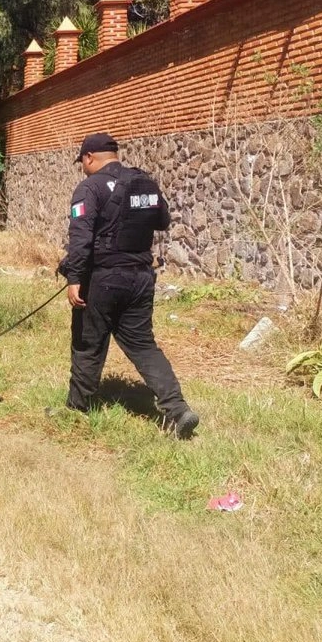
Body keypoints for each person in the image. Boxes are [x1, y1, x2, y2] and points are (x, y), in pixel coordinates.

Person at [56, 132, 199, 438]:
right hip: (140, 278)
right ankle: (177, 409)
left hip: (103, 279)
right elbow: (163, 221)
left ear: (89, 157)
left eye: (82, 161)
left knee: (87, 343)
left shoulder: (89, 188)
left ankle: (76, 408)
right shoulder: (144, 183)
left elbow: (80, 239)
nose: (82, 167)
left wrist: (74, 278)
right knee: (143, 345)